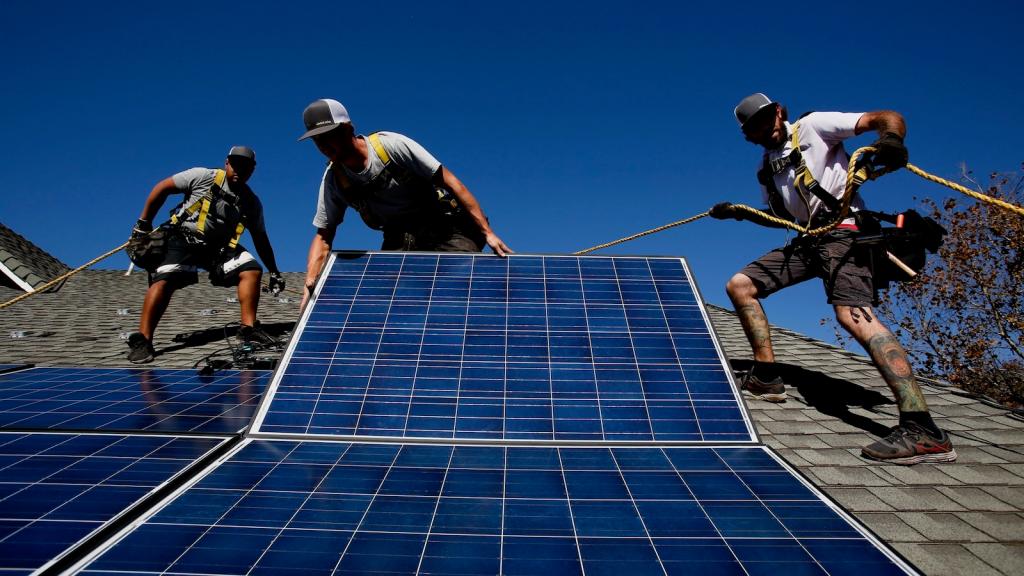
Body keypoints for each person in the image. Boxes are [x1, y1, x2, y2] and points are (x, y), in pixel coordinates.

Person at [709, 93, 956, 465]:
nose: (765, 127)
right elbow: (783, 217)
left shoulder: (813, 126)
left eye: (766, 117)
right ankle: (766, 377)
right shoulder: (767, 169)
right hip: (808, 240)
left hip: (844, 235)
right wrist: (740, 212)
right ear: (749, 134)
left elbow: (885, 116)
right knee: (740, 286)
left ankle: (923, 428)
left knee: (852, 314)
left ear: (778, 112)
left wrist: (891, 141)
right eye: (755, 126)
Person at [297, 99, 512, 308]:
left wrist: (487, 232)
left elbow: (452, 183)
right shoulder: (334, 180)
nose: (323, 145)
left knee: (460, 283)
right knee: (395, 301)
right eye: (317, 140)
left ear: (348, 129)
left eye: (328, 136)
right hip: (399, 236)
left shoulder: (389, 146)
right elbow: (324, 235)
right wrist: (310, 283)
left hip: (444, 225)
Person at [125, 146, 284, 363]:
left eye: (245, 166)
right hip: (182, 240)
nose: (239, 170)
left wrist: (274, 272)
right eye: (235, 164)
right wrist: (144, 223)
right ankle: (143, 340)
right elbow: (162, 188)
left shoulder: (251, 202)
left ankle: (248, 329)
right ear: (227, 163)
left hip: (217, 250)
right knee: (166, 279)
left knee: (252, 269)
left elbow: (261, 239)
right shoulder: (203, 177)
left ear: (252, 170)